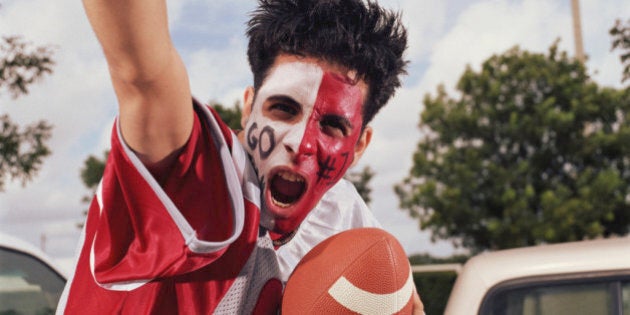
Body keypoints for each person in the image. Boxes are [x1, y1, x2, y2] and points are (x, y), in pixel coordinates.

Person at [57, 0, 423, 314]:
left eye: (331, 125)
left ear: (359, 145)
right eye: (284, 108)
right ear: (248, 108)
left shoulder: (345, 218)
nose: (302, 143)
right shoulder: (195, 177)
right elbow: (142, 73)